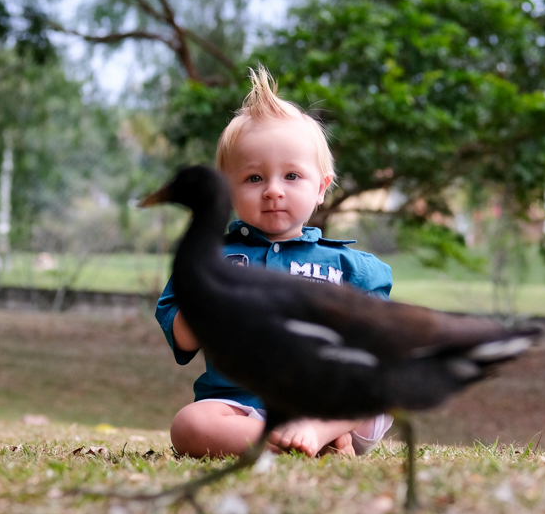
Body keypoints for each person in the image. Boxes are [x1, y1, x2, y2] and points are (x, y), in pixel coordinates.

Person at [156, 66, 394, 458]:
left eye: (292, 176)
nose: (273, 191)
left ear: (321, 187)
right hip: (240, 405)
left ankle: (320, 432)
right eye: (253, 178)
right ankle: (278, 441)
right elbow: (182, 337)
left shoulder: (351, 267)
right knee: (189, 424)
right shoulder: (208, 260)